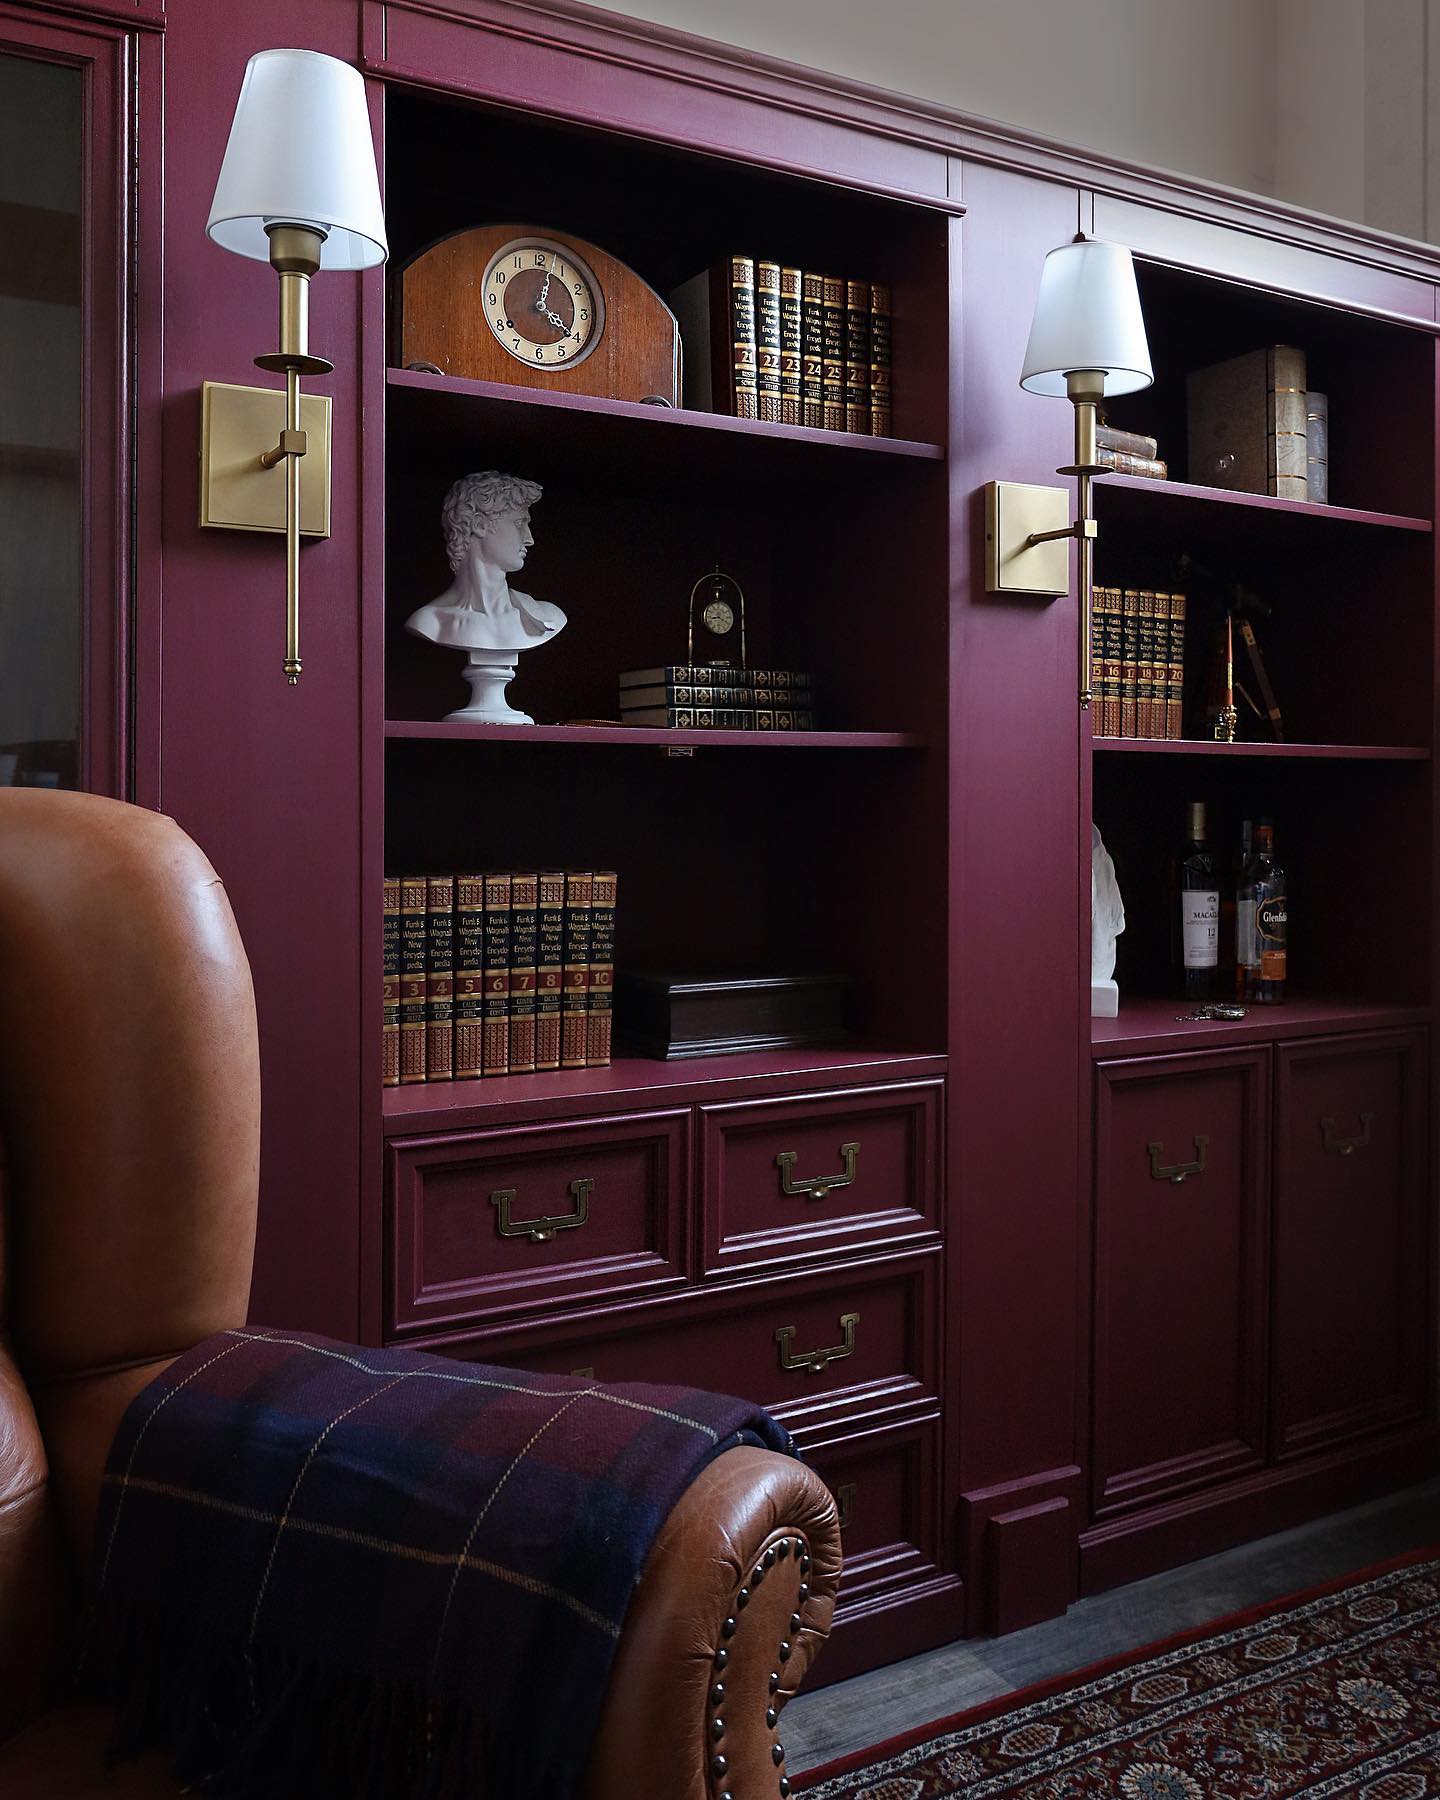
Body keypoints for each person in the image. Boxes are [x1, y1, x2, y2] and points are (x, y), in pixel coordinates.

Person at [405, 471, 567, 653]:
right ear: (480, 524)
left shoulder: (546, 616)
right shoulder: (431, 622)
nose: (529, 539)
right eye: (519, 523)